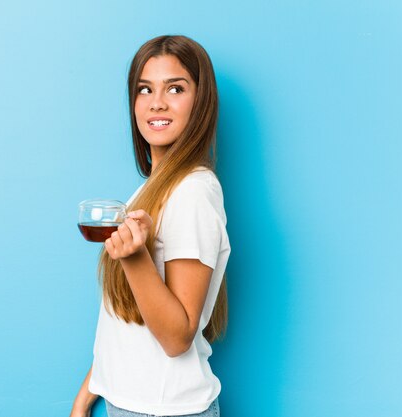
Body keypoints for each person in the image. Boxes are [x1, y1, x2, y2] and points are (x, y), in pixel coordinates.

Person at [70, 35, 231, 417]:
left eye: (175, 88)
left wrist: (135, 258)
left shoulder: (192, 192)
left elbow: (177, 337)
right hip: (130, 404)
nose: (157, 101)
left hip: (164, 409)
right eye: (145, 89)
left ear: (201, 102)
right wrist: (85, 397)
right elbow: (127, 320)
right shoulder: (151, 190)